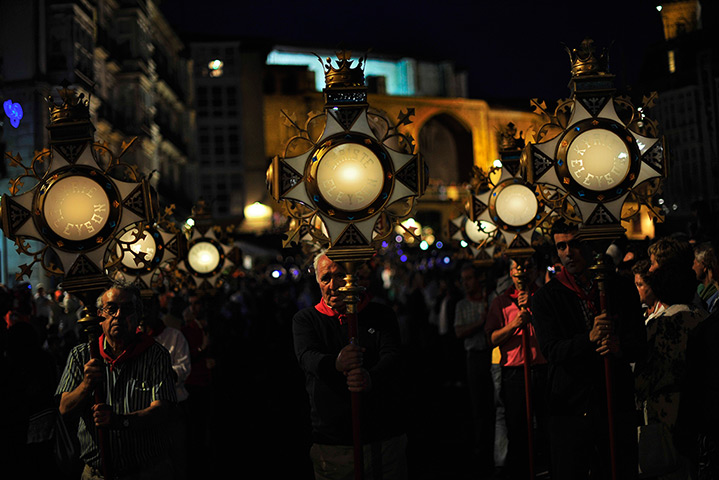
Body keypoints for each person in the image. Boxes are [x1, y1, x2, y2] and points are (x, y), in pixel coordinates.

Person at [531, 219, 646, 480]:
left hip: (613, 402)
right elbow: (552, 350)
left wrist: (619, 348)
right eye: (561, 246)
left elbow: (639, 345)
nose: (569, 252)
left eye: (575, 244)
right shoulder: (547, 297)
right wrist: (589, 338)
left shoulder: (620, 287)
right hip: (570, 406)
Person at [293, 252, 407, 480]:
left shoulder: (380, 314)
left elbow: (392, 356)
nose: (333, 285)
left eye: (340, 276)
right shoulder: (305, 319)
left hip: (383, 433)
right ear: (317, 281)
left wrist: (370, 378)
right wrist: (335, 363)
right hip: (334, 438)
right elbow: (307, 357)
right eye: (326, 278)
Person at [56, 282, 177, 480]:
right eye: (111, 308)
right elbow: (64, 409)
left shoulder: (155, 355)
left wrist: (120, 421)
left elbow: (162, 410)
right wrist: (86, 385)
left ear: (138, 315)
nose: (119, 315)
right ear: (100, 315)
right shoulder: (81, 356)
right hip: (97, 474)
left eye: (127, 309)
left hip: (146, 471)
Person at [635, 236, 707, 479]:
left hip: (668, 420)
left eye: (654, 264)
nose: (650, 269)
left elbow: (644, 380)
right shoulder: (702, 317)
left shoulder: (662, 325)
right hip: (698, 419)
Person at [485, 255, 548, 480]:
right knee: (517, 429)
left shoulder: (544, 297)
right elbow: (491, 338)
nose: (523, 271)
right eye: (518, 266)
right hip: (515, 372)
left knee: (547, 425)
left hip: (541, 368)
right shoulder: (501, 301)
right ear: (510, 272)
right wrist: (515, 324)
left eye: (529, 266)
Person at [454, 263, 495, 476]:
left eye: (469, 278)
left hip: (492, 355)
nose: (466, 283)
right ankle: (482, 446)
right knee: (479, 403)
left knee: (495, 401)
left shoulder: (490, 299)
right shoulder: (462, 305)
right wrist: (480, 322)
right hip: (474, 357)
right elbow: (459, 332)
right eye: (464, 279)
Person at [632, 259, 666, 324]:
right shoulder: (641, 310)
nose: (636, 289)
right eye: (635, 285)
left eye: (640, 285)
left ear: (651, 285)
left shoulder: (664, 313)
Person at [692, 242, 719, 313]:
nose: (692, 268)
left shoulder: (714, 297)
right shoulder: (699, 293)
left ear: (704, 265)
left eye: (694, 263)